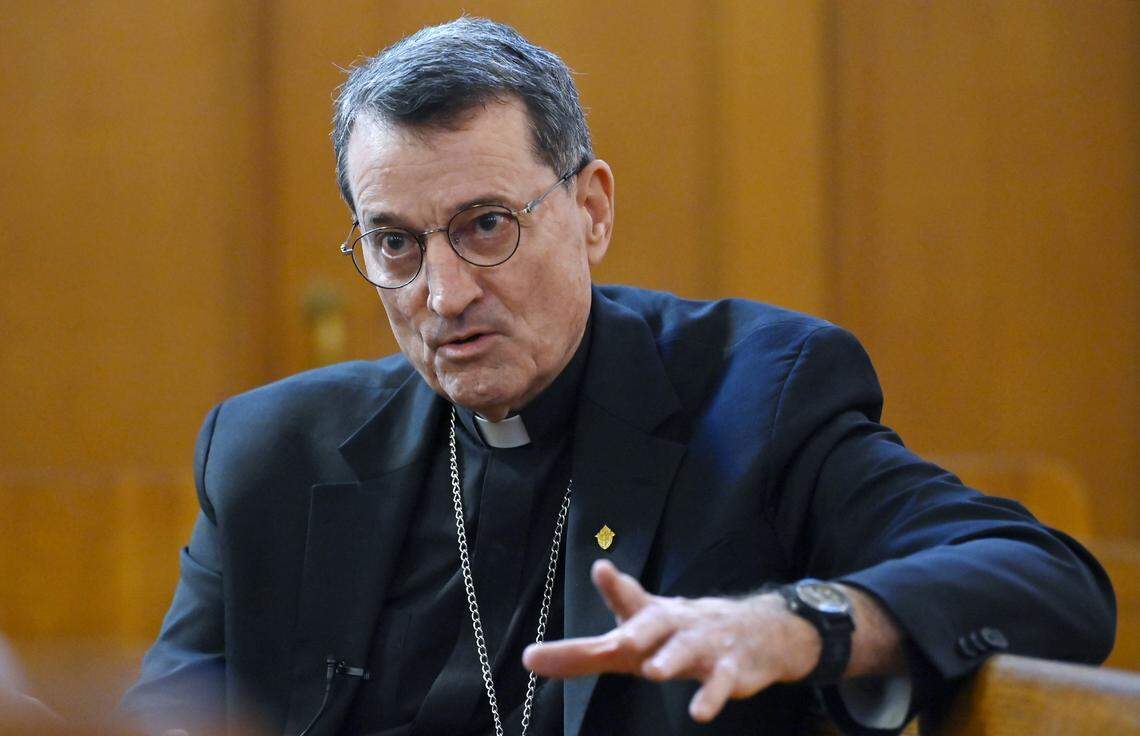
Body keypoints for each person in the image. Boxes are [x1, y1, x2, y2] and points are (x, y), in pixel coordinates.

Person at [120, 17, 1115, 736]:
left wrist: (798, 623)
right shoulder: (269, 451)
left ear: (591, 208)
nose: (444, 291)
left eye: (485, 226)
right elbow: (171, 709)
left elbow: (1049, 581)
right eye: (394, 242)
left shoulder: (759, 398)